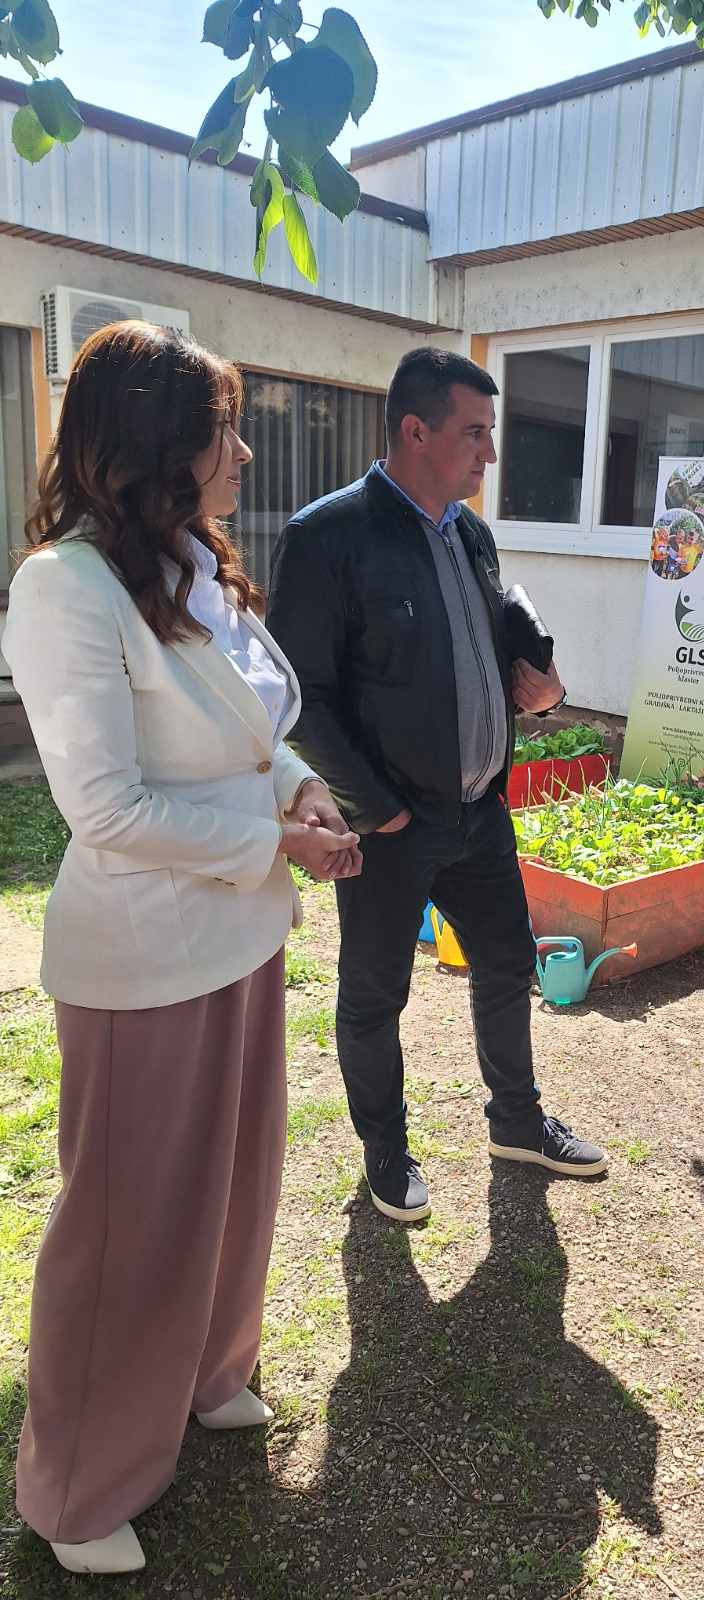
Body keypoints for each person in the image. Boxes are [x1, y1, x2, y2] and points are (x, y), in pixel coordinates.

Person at [4, 321, 361, 1576]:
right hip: (145, 960)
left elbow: (254, 730)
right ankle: (80, 1484)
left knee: (235, 1181)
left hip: (239, 934)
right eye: (224, 431)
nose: (245, 454)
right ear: (156, 444)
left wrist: (300, 788)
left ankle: (209, 1371)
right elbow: (104, 807)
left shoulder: (190, 565)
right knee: (128, 1222)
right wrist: (277, 839)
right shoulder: (67, 587)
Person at [267, 346, 606, 1228]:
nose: (490, 453)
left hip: (479, 812)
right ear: (415, 431)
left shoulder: (471, 533)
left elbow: (480, 653)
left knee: (507, 963)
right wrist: (378, 810)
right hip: (393, 824)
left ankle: (517, 1124)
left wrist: (539, 689)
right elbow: (300, 697)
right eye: (475, 433)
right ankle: (385, 1149)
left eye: (490, 433)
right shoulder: (329, 536)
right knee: (375, 996)